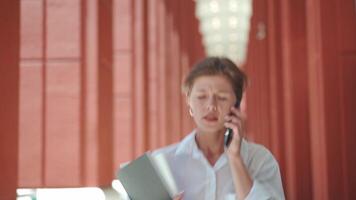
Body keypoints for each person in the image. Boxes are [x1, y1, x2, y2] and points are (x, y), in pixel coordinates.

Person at [152, 57, 285, 200]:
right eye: (202, 96)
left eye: (222, 98)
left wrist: (235, 158)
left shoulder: (260, 160)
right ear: (189, 103)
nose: (211, 105)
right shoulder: (161, 164)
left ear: (236, 106)